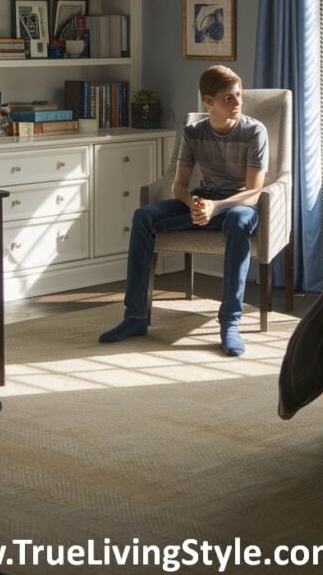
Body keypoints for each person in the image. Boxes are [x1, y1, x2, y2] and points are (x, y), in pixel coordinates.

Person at [99, 65, 267, 356]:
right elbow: (179, 186)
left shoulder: (254, 131)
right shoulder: (193, 133)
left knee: (240, 221)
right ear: (208, 102)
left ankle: (229, 323)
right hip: (205, 202)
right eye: (229, 98)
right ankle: (135, 317)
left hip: (237, 206)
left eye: (239, 95)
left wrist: (215, 208)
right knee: (144, 217)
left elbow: (253, 193)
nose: (238, 102)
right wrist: (195, 205)